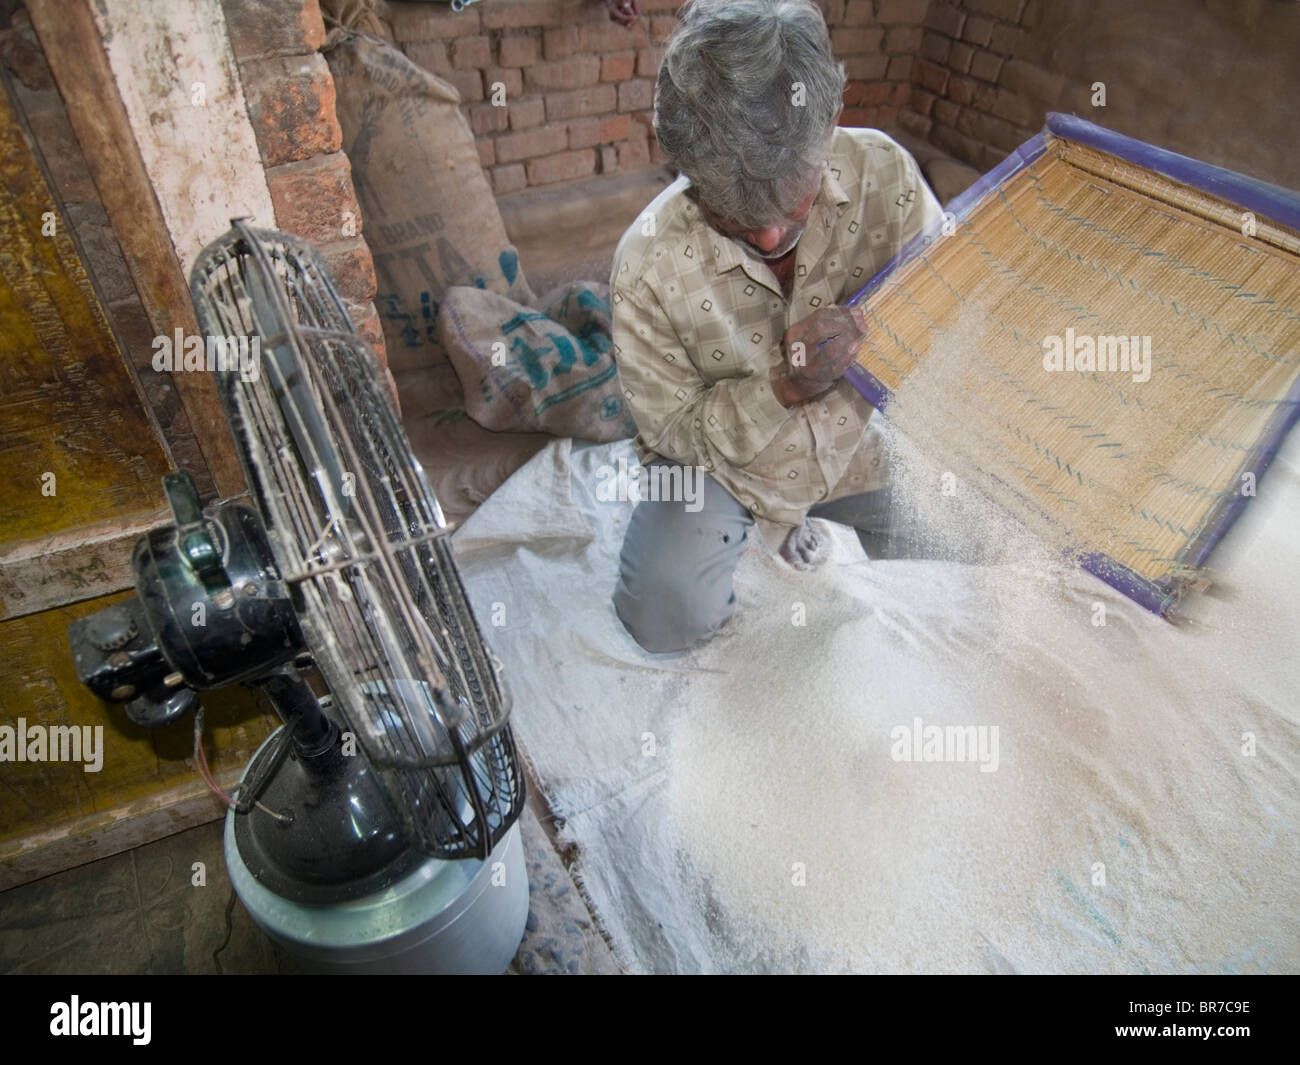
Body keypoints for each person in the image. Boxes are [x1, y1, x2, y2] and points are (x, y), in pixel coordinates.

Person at [609, 0, 944, 653]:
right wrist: (783, 388)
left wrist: (887, 342)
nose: (766, 233)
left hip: (862, 447)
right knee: (664, 614)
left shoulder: (887, 176)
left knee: (974, 548)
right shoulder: (646, 263)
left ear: (828, 132)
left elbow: (945, 316)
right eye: (732, 214)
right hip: (732, 470)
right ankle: (754, 536)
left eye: (792, 202)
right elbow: (673, 434)